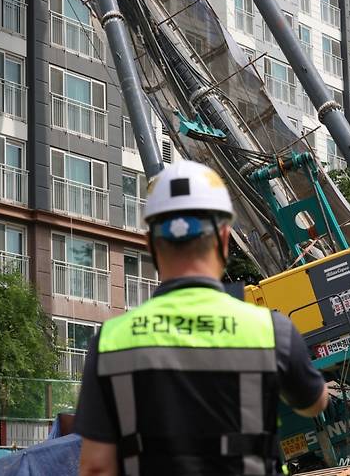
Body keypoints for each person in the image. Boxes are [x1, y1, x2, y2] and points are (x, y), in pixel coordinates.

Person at [74, 159, 329, 476]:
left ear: (150, 244)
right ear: (224, 240)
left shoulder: (111, 342)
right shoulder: (270, 331)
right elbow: (312, 403)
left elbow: (96, 466)